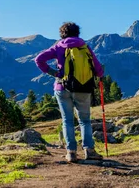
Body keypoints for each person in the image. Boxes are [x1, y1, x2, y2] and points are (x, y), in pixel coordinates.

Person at [34, 22, 104, 162]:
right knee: (85, 121)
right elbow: (98, 69)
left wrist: (54, 73)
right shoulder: (84, 47)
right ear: (77, 33)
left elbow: (39, 59)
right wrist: (99, 75)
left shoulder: (58, 46)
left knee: (67, 120)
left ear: (62, 34)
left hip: (62, 87)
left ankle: (71, 153)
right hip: (83, 88)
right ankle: (89, 150)